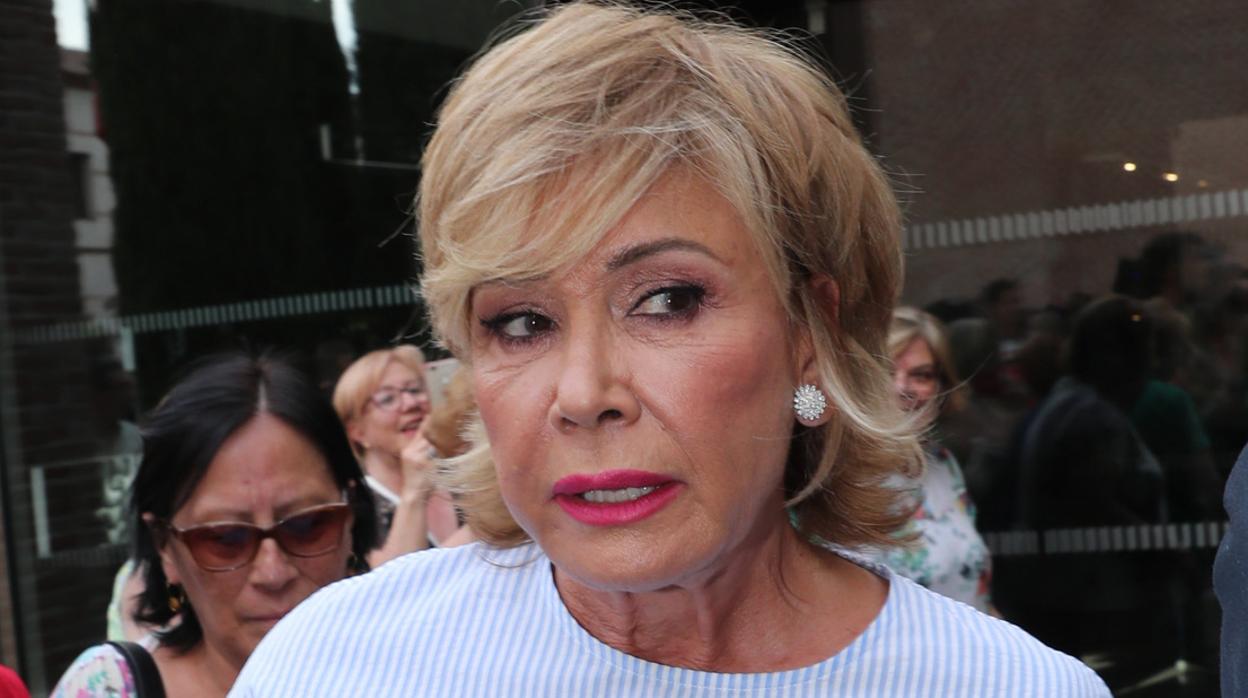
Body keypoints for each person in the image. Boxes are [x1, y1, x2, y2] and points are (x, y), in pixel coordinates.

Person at [232, 4, 1108, 695]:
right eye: (521, 322)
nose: (585, 393)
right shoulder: (339, 666)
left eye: (667, 301)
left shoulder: (1005, 686)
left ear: (809, 332)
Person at [54, 353, 377, 697]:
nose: (273, 573)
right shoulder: (109, 688)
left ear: (350, 517)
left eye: (307, 526)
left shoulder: (414, 668)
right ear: (164, 545)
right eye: (225, 539)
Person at [873, 307, 992, 612]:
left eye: (921, 375)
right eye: (885, 372)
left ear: (942, 388)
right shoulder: (831, 478)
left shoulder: (941, 463)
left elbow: (976, 592)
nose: (902, 388)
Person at [332, 346, 462, 564]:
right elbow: (395, 581)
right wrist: (415, 492)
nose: (411, 404)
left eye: (415, 389)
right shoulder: (354, 508)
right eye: (387, 399)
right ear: (357, 431)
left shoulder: (463, 477)